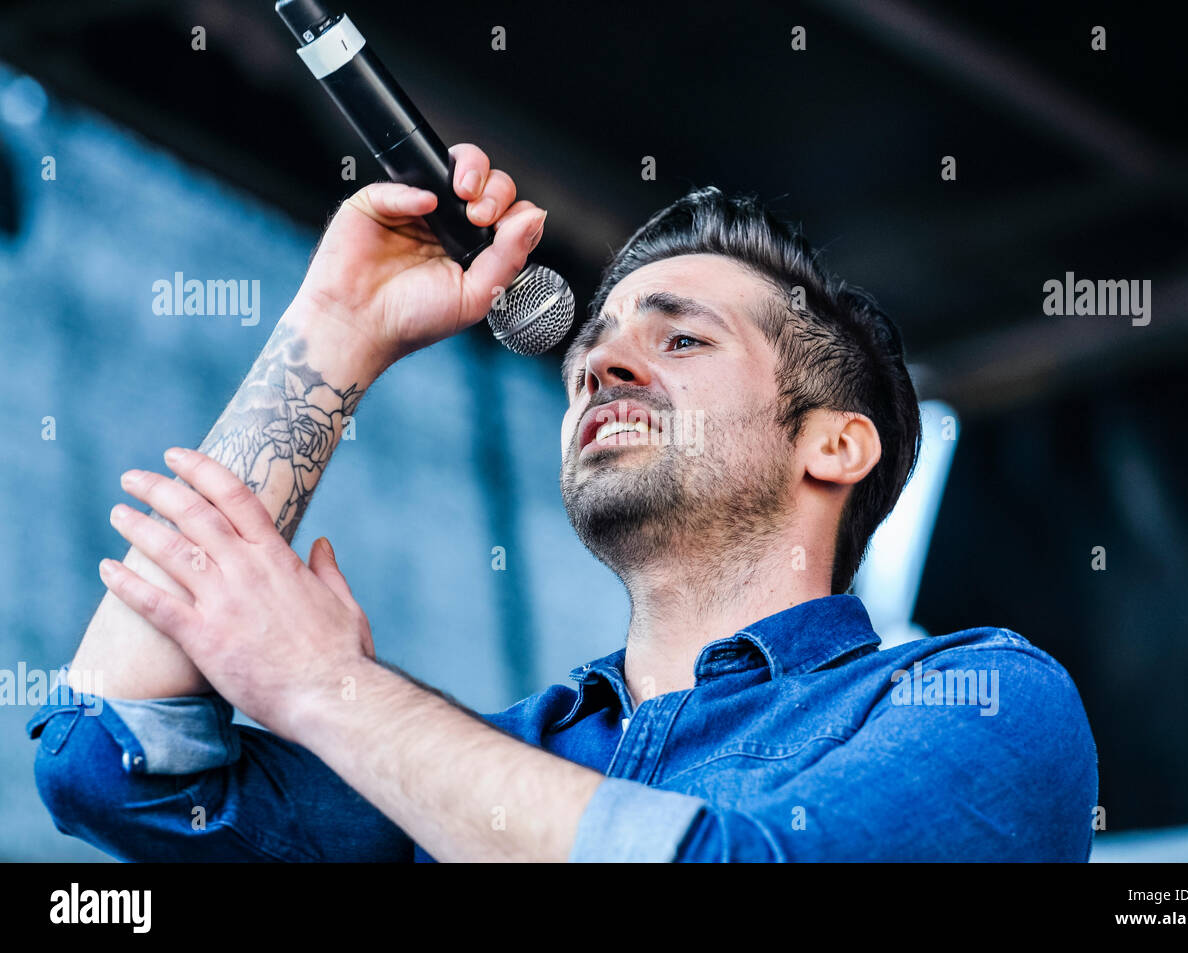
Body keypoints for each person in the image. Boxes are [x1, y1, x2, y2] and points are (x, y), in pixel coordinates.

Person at [28, 144, 1098, 861]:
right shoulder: (477, 762)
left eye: (680, 337)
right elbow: (109, 758)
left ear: (834, 443)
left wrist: (325, 687)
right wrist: (339, 323)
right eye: (592, 349)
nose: (600, 365)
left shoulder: (987, 698)